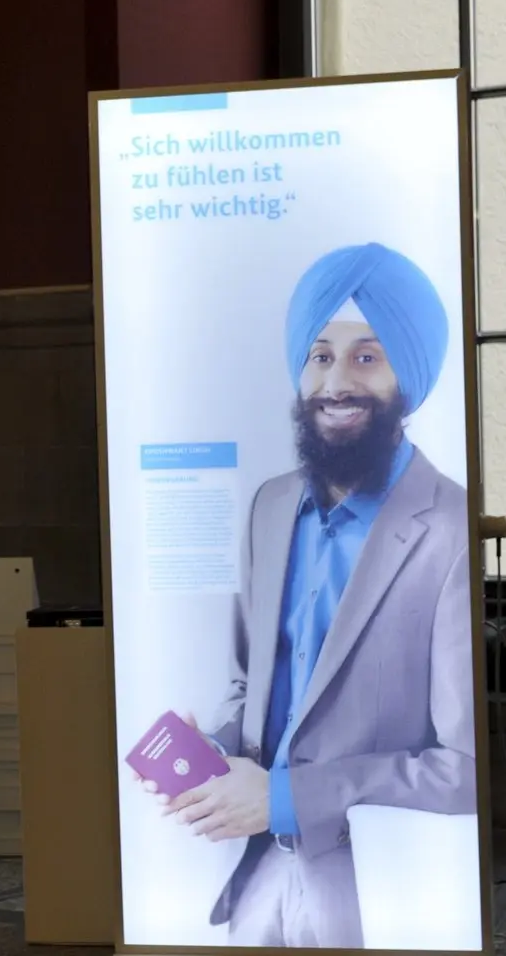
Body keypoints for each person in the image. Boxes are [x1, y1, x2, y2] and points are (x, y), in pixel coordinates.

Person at [148, 242, 475, 948]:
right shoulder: (270, 507)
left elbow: (468, 772)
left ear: (409, 378)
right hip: (259, 883)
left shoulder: (450, 530)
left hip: (378, 895)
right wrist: (208, 750)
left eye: (368, 355)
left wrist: (284, 799)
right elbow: (252, 687)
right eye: (320, 355)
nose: (336, 380)